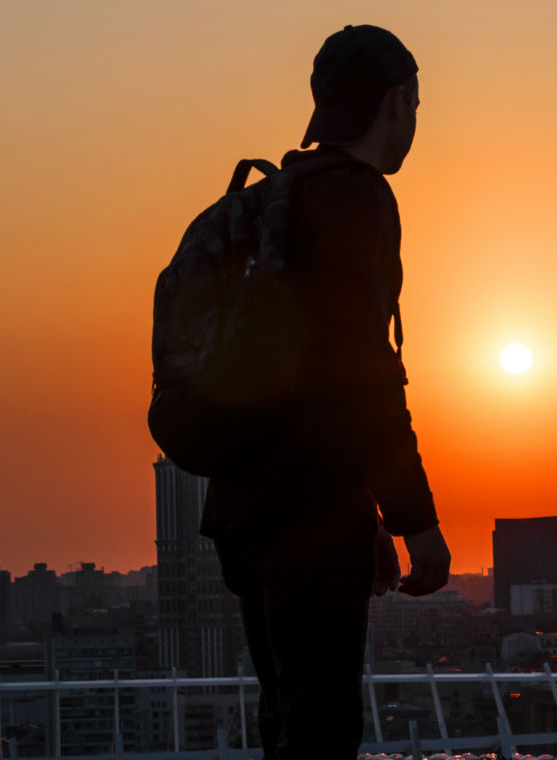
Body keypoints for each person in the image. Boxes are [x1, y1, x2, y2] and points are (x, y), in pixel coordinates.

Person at [199, 24, 451, 760]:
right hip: (306, 514)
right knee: (322, 729)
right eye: (416, 105)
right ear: (397, 102)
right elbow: (362, 372)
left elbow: (302, 382)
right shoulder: (357, 198)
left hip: (244, 507)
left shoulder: (278, 195)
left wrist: (361, 513)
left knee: (287, 716)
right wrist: (413, 518)